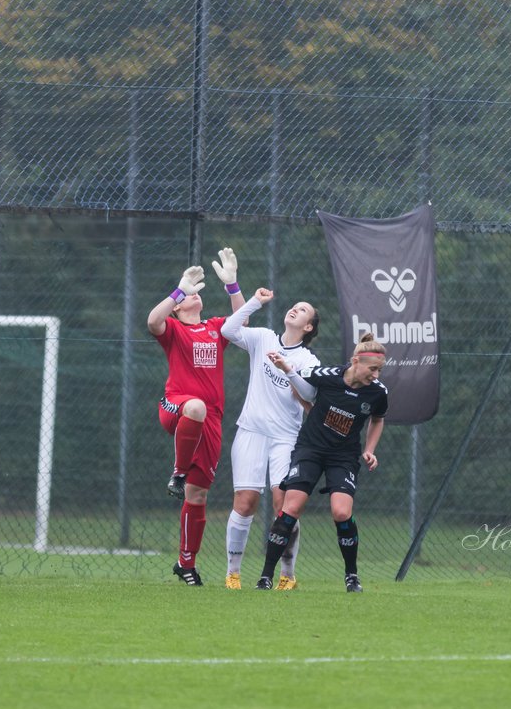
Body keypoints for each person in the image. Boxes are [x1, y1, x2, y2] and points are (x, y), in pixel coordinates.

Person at [259, 332, 388, 592]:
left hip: (343, 456)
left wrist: (370, 449)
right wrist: (287, 370)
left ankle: (352, 576)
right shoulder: (327, 375)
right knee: (290, 508)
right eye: (373, 369)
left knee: (341, 512)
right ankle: (265, 576)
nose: (376, 375)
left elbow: (377, 419)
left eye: (380, 370)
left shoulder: (378, 392)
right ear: (355, 361)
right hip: (311, 449)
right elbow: (302, 389)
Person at [147, 248, 246, 586]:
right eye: (188, 296)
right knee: (195, 407)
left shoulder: (216, 328)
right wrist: (178, 289)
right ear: (178, 305)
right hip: (176, 406)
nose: (195, 296)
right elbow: (152, 321)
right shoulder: (173, 328)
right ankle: (177, 473)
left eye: (196, 292)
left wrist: (232, 285)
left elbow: (242, 322)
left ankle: (185, 564)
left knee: (198, 495)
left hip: (211, 420)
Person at [219, 288, 320, 590]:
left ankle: (287, 576)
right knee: (246, 501)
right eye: (295, 304)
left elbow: (311, 394)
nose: (294, 309)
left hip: (286, 439)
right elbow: (228, 329)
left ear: (309, 327)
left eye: (303, 310)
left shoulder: (306, 358)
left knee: (284, 504)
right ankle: (233, 573)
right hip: (251, 431)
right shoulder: (262, 337)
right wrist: (255, 302)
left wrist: (287, 370)